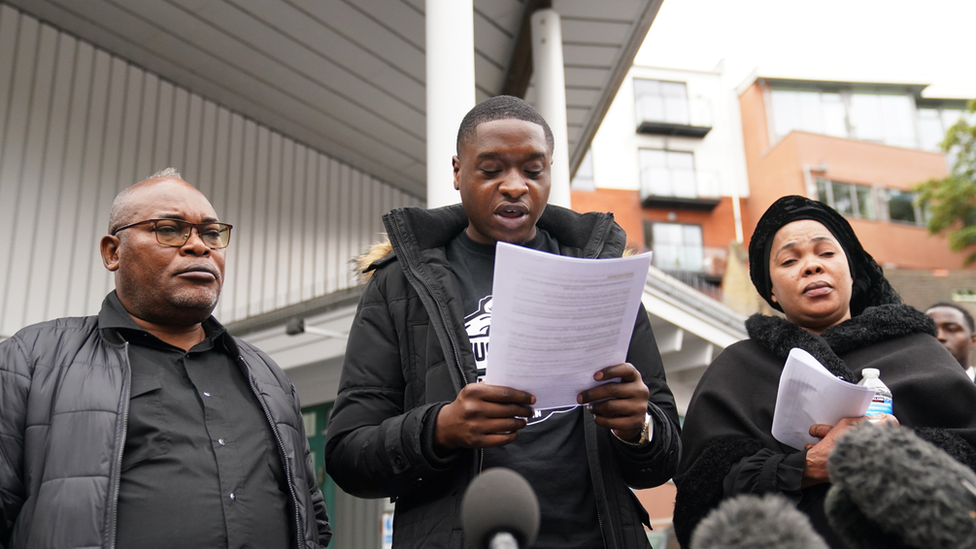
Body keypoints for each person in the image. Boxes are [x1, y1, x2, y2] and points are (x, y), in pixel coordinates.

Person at [324, 95, 681, 549]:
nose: (515, 186)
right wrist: (441, 428)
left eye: (533, 171)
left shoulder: (602, 272)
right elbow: (348, 454)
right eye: (491, 170)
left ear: (550, 172)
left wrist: (639, 427)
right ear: (457, 171)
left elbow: (663, 457)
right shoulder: (399, 286)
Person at [0, 169, 331, 549]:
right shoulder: (31, 360)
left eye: (211, 233)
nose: (199, 246)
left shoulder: (266, 376)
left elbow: (311, 516)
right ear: (113, 252)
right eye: (169, 229)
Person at [672, 195, 976, 549]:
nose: (812, 266)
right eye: (789, 260)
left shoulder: (921, 352)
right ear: (770, 287)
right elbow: (701, 498)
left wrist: (895, 452)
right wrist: (807, 466)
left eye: (826, 253)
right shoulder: (736, 369)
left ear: (851, 270)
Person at [925, 302, 976, 380]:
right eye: (930, 330)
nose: (939, 336)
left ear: (973, 340)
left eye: (951, 329)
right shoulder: (903, 389)